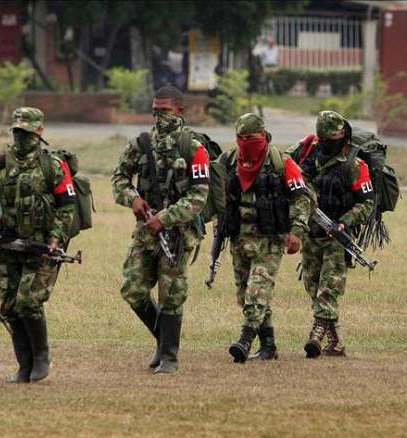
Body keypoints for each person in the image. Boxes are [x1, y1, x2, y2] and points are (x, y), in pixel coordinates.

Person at [112, 86, 210, 374]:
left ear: (180, 111)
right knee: (132, 288)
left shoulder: (193, 147)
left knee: (172, 293)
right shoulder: (140, 144)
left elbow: (199, 196)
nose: (158, 117)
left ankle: (169, 356)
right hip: (146, 230)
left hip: (178, 233)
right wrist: (133, 199)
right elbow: (118, 178)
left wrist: (166, 218)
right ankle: (162, 338)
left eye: (164, 111)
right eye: (155, 111)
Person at [0, 107, 76, 382]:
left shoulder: (52, 164)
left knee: (29, 301)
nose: (21, 137)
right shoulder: (2, 161)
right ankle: (23, 364)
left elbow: (66, 207)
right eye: (17, 131)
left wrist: (54, 239)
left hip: (40, 247)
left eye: (27, 132)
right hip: (8, 246)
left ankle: (41, 359)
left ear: (39, 131)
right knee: (9, 305)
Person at [221, 113, 310, 363]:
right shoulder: (229, 161)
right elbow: (216, 193)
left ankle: (245, 340)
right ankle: (268, 345)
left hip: (270, 240)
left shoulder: (282, 163)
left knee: (257, 291)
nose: (246, 142)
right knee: (244, 294)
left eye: (251, 138)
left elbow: (302, 199)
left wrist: (297, 232)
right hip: (239, 238)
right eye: (241, 138)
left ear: (263, 135)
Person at [286, 111, 374, 358]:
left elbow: (366, 203)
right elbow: (286, 170)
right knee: (312, 284)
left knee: (329, 288)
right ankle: (336, 343)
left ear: (343, 134)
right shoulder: (307, 154)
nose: (329, 142)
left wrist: (345, 223)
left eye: (334, 137)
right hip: (311, 233)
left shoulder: (354, 164)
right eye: (325, 138)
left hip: (338, 236)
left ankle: (316, 334)